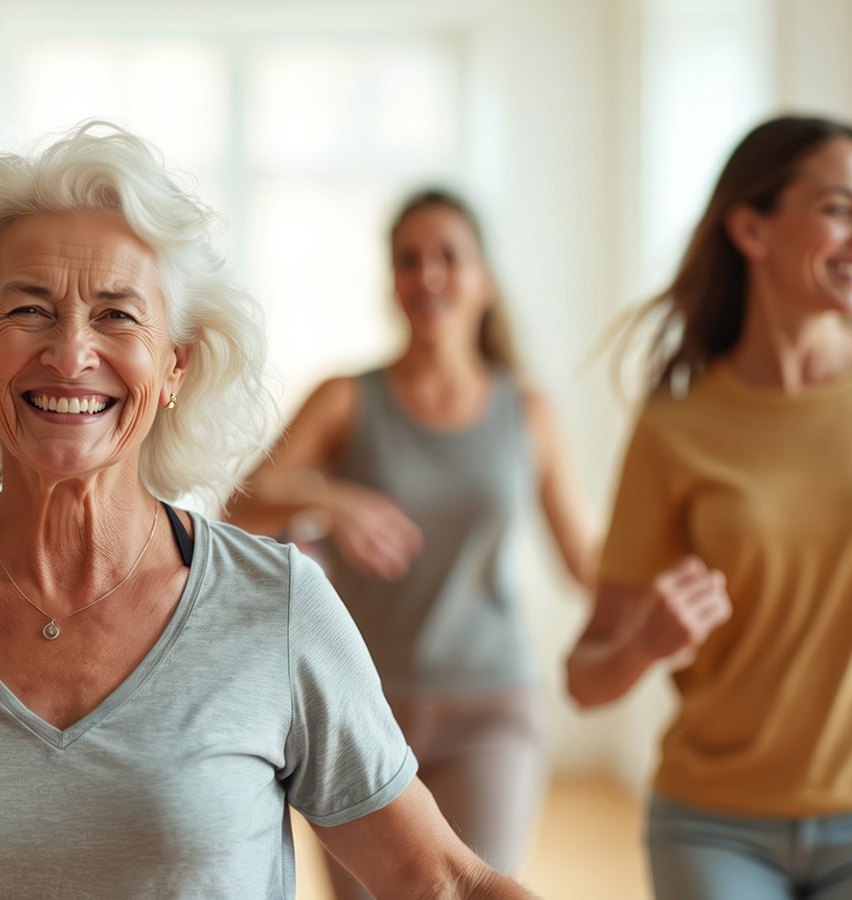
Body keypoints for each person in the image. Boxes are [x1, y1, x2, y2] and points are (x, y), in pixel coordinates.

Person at [0, 122, 537, 900]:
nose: (71, 351)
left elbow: (443, 883)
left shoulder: (278, 607)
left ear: (173, 368)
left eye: (116, 315)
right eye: (28, 311)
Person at [566, 115, 852, 900]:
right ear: (751, 227)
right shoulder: (675, 428)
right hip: (714, 821)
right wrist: (648, 642)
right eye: (842, 209)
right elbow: (586, 678)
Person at [226, 189, 594, 885]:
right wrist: (329, 501)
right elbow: (236, 509)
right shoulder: (346, 398)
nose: (427, 275)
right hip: (360, 711)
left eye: (448, 258)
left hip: (490, 709)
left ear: (483, 280)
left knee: (469, 891)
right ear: (391, 280)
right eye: (408, 260)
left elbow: (585, 560)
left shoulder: (527, 410)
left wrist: (675, 575)